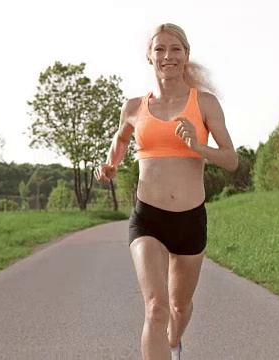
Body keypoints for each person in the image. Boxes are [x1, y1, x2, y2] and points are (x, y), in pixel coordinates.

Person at [94, 23, 238, 360]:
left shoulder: (204, 103)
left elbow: (231, 160)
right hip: (149, 218)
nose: (167, 56)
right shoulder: (133, 107)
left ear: (186, 56)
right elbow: (120, 141)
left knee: (180, 306)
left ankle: (174, 344)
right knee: (156, 308)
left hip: (190, 220)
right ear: (150, 57)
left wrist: (199, 146)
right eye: (160, 49)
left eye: (175, 49)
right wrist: (110, 166)